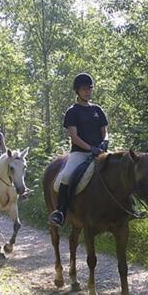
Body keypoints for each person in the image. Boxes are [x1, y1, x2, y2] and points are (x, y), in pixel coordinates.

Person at [48, 72, 109, 227]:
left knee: (120, 169)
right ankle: (61, 212)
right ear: (77, 91)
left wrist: (105, 142)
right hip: (80, 153)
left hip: (100, 151)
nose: (87, 92)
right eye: (84, 89)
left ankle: (128, 206)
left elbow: (105, 130)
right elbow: (74, 136)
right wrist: (90, 148)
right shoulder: (72, 112)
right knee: (67, 176)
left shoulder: (97, 110)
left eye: (89, 89)